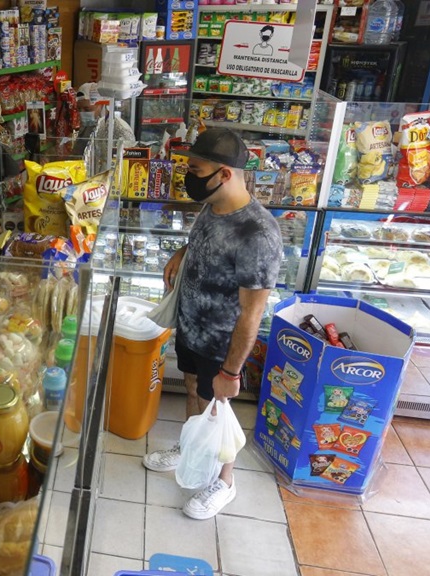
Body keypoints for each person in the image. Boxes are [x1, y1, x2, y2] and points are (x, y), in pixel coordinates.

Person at [142, 128, 282, 521]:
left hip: (222, 344)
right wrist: (182, 251)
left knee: (216, 408)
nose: (188, 175)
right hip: (191, 327)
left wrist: (231, 371)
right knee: (191, 392)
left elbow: (251, 313)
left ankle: (225, 481)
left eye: (195, 168)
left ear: (223, 174)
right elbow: (205, 240)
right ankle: (190, 447)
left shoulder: (257, 233)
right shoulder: (213, 205)